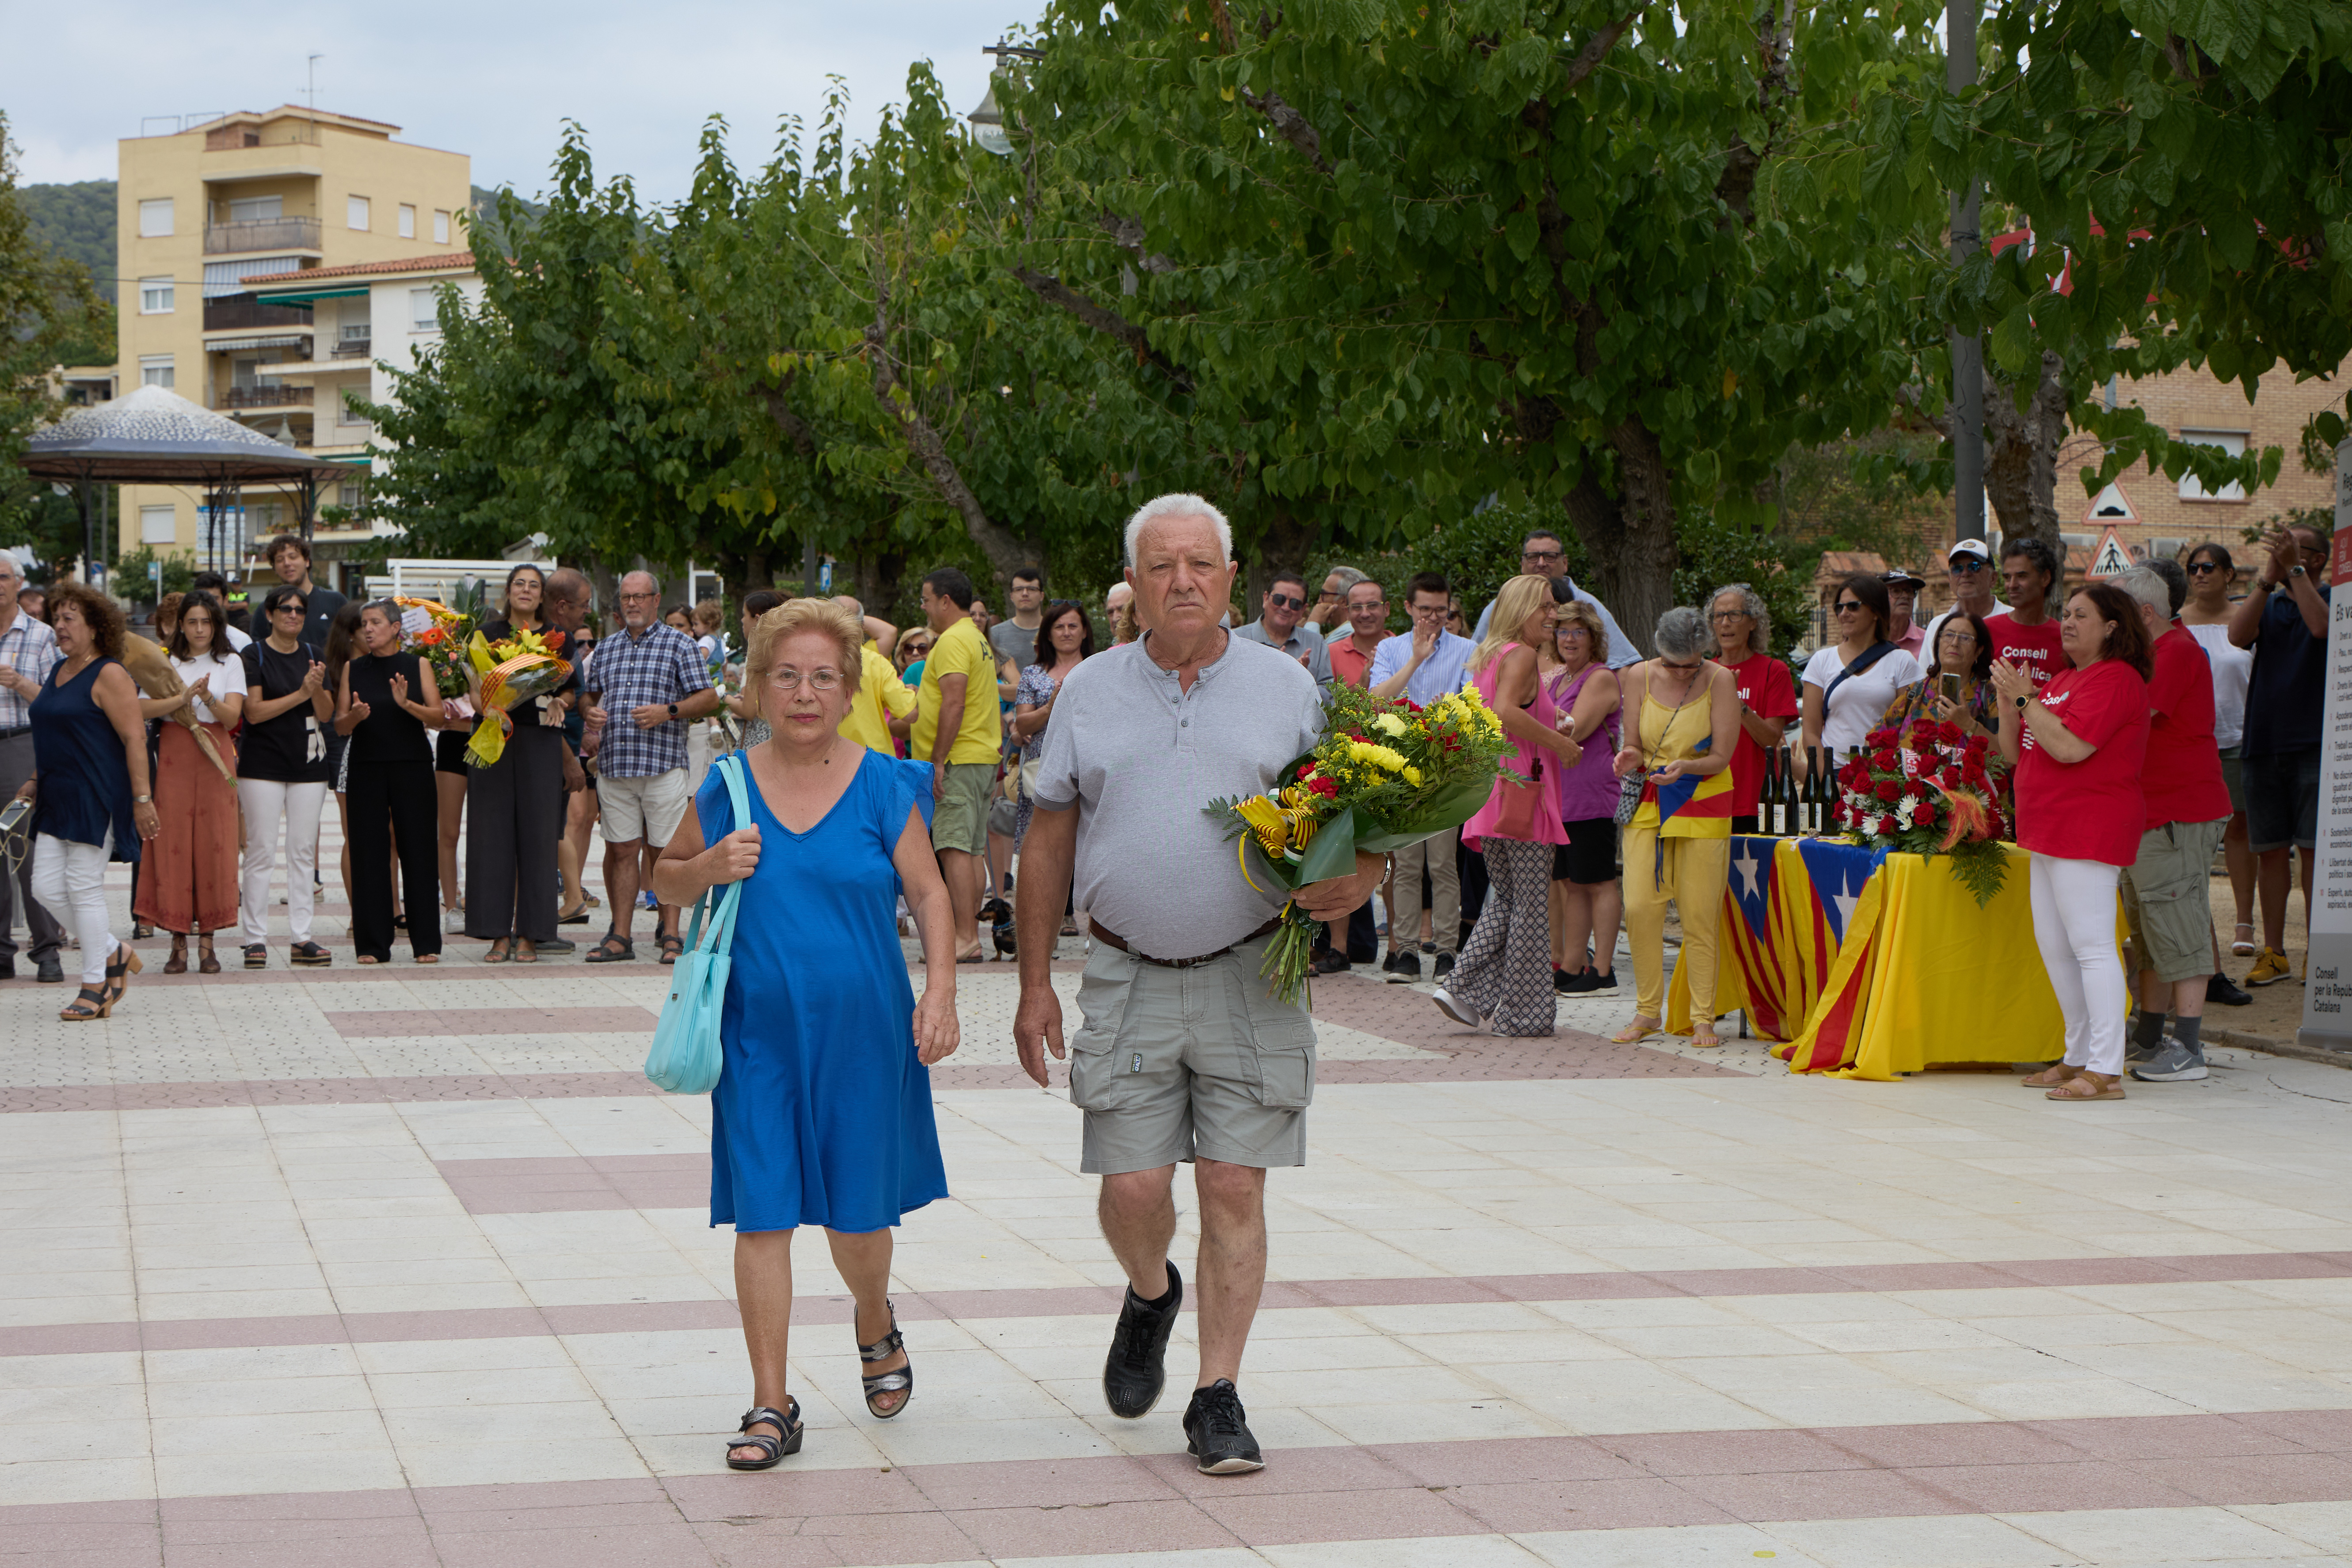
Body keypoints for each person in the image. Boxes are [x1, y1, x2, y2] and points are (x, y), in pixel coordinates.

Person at [1013, 492, 1384, 1476]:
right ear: (1129, 584)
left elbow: (1351, 822)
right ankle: (1148, 1292)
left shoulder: (1288, 688)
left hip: (1255, 971)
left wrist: (1366, 876)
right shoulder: (1088, 691)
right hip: (1126, 972)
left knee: (1230, 1183)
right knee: (1132, 1186)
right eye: (1160, 564)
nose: (1182, 581)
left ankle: (1215, 1394)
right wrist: (1033, 981)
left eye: (1201, 564)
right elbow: (1047, 836)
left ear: (1229, 578)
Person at [649, 598, 956, 1468]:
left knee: (859, 1221)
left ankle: (872, 1314)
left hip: (866, 1035)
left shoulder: (881, 784)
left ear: (850, 684)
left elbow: (930, 896)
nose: (804, 691)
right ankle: (769, 1402)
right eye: (785, 675)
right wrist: (708, 867)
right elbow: (666, 881)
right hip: (756, 1038)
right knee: (763, 1213)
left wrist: (940, 993)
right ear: (756, 688)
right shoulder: (728, 786)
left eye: (823, 675)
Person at [1993, 582, 2153, 1100]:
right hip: (2046, 828)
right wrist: (2008, 701)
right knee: (2056, 949)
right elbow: (2016, 753)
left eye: (2080, 615)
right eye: (2065, 613)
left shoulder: (2116, 679)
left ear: (2111, 627)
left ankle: (2105, 1068)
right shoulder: (2063, 678)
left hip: (2088, 825)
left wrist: (2024, 695)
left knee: (2090, 947)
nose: (2066, 622)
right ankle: (2078, 1054)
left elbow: (2068, 747)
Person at [1433, 576, 1580, 1035]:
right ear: (1520, 609)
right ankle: (1522, 1014)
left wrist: (1551, 716)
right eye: (1545, 607)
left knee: (1512, 901)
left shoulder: (1490, 655)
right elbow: (1503, 710)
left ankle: (1462, 989)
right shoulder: (1519, 654)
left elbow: (1503, 708)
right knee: (1532, 908)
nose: (1552, 615)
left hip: (1495, 790)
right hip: (1524, 792)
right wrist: (1559, 742)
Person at [2108, 565, 2232, 1083]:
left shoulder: (2176, 652)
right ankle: (2150, 1034)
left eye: (2113, 615)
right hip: (2150, 813)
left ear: (2143, 614)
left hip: (2178, 812)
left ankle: (2187, 1046)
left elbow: (2132, 717)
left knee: (2177, 923)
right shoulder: (2154, 653)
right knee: (2151, 929)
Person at [18, 584, 159, 1019]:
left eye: (68, 619)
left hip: (96, 794)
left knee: (82, 886)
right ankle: (114, 950)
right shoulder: (60, 669)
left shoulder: (110, 674)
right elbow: (57, 735)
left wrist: (142, 799)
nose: (59, 626)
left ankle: (95, 983)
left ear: (96, 628)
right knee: (43, 887)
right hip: (57, 794)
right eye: (56, 618)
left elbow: (135, 737)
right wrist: (34, 778)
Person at [1612, 607, 1740, 1048]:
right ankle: (1647, 1011)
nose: (1683, 672)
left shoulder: (1720, 679)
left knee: (1699, 914)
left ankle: (1702, 1017)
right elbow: (1631, 743)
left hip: (1702, 800)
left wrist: (1687, 766)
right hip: (1649, 801)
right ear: (1657, 651)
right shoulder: (1636, 676)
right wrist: (1628, 756)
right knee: (1639, 908)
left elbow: (1721, 756)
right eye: (1673, 664)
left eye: (1692, 664)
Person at [582, 572, 720, 965]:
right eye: (626, 597)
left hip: (662, 765)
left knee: (664, 851)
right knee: (621, 849)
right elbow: (589, 697)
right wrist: (588, 712)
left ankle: (672, 934)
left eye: (640, 597)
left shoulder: (680, 644)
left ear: (657, 600)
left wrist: (668, 711)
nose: (632, 604)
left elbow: (709, 698)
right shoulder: (606, 648)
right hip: (616, 763)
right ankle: (620, 935)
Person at [2228, 524, 2329, 989]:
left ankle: (2319, 952)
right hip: (2262, 742)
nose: (2283, 553)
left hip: (2314, 743)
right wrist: (2266, 578)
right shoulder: (2267, 600)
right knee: (2269, 852)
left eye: (2295, 548)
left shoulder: (2332, 597)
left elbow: (2320, 626)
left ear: (2316, 559)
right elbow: (2235, 635)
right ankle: (2273, 952)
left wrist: (2293, 570)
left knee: (2312, 853)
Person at [1371, 572, 1477, 981]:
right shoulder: (1390, 648)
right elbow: (1378, 700)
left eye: (1441, 610)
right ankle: (1407, 951)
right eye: (1425, 610)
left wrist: (1446, 713)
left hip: (1445, 770)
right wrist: (1415, 658)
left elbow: (1471, 703)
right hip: (1400, 768)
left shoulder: (1468, 649)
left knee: (1444, 865)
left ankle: (1447, 951)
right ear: (1408, 609)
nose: (1435, 618)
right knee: (1406, 865)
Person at [464, 565, 572, 963]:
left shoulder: (557, 638)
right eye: (519, 584)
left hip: (540, 740)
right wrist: (491, 708)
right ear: (507, 591)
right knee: (489, 835)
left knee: (538, 837)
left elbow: (571, 691)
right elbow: (473, 688)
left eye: (534, 585)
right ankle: (496, 933)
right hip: (493, 737)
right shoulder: (486, 636)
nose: (525, 590)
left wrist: (562, 700)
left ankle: (530, 933)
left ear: (542, 595)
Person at [133, 591, 243, 974]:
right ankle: (177, 942)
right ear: (180, 624)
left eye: (207, 622)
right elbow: (142, 707)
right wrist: (179, 700)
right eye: (192, 621)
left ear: (217, 625)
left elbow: (231, 719)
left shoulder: (231, 661)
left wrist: (208, 697)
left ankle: (208, 943)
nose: (199, 629)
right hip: (176, 754)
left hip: (216, 755)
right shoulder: (167, 662)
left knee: (215, 843)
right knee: (173, 843)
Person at [336, 600, 446, 965]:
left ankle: (426, 941)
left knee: (418, 849)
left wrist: (407, 704)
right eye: (364, 623)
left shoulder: (417, 665)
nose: (367, 629)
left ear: (396, 628)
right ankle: (372, 944)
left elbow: (440, 718)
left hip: (411, 765)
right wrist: (353, 716)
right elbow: (338, 726)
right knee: (369, 853)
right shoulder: (353, 668)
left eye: (376, 622)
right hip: (366, 766)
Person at [237, 582, 335, 969]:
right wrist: (301, 692)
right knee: (261, 849)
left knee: (301, 852)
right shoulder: (253, 653)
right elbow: (254, 712)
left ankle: (302, 936)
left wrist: (315, 689)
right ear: (270, 614)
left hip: (308, 764)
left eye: (299, 609)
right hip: (262, 764)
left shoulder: (314, 654)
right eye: (285, 609)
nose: (293, 615)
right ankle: (255, 939)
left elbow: (326, 713)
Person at [908, 568, 1003, 964]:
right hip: (980, 755)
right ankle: (969, 934)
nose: (925, 608)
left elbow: (954, 701)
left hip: (960, 758)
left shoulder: (951, 641)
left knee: (953, 848)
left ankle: (964, 938)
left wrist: (938, 759)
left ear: (945, 601)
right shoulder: (976, 638)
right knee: (970, 847)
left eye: (927, 600)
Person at [2180, 542, 2257, 965]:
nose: (2199, 574)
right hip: (2192, 743)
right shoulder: (2177, 625)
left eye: (2209, 567)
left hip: (2239, 738)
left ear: (2229, 574)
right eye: (2193, 568)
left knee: (2240, 830)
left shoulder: (2247, 623)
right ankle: (2198, 927)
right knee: (2196, 838)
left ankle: (2244, 922)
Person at [1548, 599, 1622, 995]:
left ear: (1593, 637)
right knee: (1572, 883)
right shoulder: (1558, 679)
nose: (1570, 638)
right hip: (1562, 798)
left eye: (1579, 631)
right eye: (1563, 631)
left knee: (1599, 882)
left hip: (1592, 795)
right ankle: (1573, 964)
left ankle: (1604, 968)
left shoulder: (1600, 677)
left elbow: (1573, 731)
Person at [0, 553, 65, 983]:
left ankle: (46, 950)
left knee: (25, 851)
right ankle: (1, 951)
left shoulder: (41, 636)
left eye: (2, 577)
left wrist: (20, 683)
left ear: (19, 583)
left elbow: (57, 702)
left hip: (21, 745)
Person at [1800, 572, 1924, 764]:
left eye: (1853, 606)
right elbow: (1810, 733)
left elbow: (1910, 729)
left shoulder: (1902, 661)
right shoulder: (1821, 660)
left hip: (1882, 777)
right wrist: (1828, 781)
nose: (1844, 614)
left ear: (1875, 612)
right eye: (1839, 608)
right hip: (1832, 775)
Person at [1470, 529, 1641, 666]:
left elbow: (1623, 663)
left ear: (1565, 563)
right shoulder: (1499, 607)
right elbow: (1476, 658)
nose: (1541, 563)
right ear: (1522, 565)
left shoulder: (1589, 606)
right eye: (1533, 557)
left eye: (1550, 557)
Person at [1706, 583, 1797, 834]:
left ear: (1753, 622)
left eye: (1735, 615)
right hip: (1709, 800)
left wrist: (1737, 704)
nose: (1725, 623)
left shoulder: (1774, 671)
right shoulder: (1702, 673)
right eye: (1718, 616)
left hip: (1758, 801)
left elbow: (1771, 739)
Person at [1010, 599, 1093, 862]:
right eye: (1059, 626)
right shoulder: (1033, 674)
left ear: (1085, 631)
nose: (1067, 632)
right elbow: (1022, 724)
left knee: (1084, 845)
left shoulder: (1098, 670)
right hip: (1042, 770)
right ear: (1048, 633)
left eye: (1073, 626)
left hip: (1089, 767)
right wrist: (1050, 707)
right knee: (1044, 852)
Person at [545, 568, 601, 926]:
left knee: (554, 826)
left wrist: (586, 713)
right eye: (583, 606)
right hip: (553, 747)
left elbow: (573, 696)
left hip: (560, 747)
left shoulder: (564, 641)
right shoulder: (549, 642)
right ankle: (571, 897)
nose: (587, 613)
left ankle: (573, 897)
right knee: (553, 827)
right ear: (562, 605)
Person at [1878, 609, 2000, 739]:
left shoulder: (1990, 695)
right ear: (1938, 643)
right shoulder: (1917, 691)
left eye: (1965, 638)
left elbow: (2007, 754)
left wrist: (1969, 725)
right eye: (1949, 635)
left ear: (1978, 651)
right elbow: (1876, 739)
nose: (1955, 643)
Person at [320, 602, 367, 912]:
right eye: (366, 625)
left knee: (389, 833)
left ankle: (390, 908)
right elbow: (332, 721)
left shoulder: (389, 663)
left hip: (387, 750)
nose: (373, 630)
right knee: (356, 833)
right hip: (344, 748)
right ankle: (358, 914)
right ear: (350, 634)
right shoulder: (336, 671)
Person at [831, 594, 916, 756]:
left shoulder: (811, 659)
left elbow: (890, 632)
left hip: (830, 758)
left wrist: (831, 614)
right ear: (861, 625)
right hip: (875, 759)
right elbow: (911, 713)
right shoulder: (875, 660)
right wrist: (855, 618)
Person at [1986, 537, 2066, 691]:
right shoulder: (1987, 631)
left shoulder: (2064, 638)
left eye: (2022, 576)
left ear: (2045, 578)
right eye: (2008, 578)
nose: (2012, 585)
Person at [1233, 570, 1334, 685]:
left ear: (1303, 610)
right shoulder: (1236, 639)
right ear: (1266, 599)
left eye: (1295, 604)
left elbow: (1329, 693)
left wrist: (1302, 680)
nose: (1286, 608)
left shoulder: (1317, 644)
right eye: (1279, 599)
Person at [1920, 538, 2010, 652]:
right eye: (1957, 569)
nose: (1965, 574)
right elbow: (1926, 670)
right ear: (1950, 580)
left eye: (1974, 567)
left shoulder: (2013, 620)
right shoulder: (1937, 626)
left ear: (1993, 578)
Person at [263, 534, 348, 652]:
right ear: (275, 568)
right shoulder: (267, 609)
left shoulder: (336, 601)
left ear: (307, 561)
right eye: (280, 560)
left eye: (293, 557)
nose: (287, 563)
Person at [1326, 576, 1387, 691]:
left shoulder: (1406, 650)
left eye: (1373, 605)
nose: (1365, 614)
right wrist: (1361, 685)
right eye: (1357, 607)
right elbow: (1326, 706)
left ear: (1386, 609)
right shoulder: (1329, 654)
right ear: (1347, 613)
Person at [991, 566, 1047, 671]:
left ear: (1042, 596)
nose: (1025, 594)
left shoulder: (1055, 631)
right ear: (1011, 596)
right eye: (1019, 589)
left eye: (1032, 589)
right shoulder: (995, 635)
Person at [190, 572, 252, 649]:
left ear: (225, 599)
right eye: (203, 599)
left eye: (215, 599)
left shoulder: (241, 640)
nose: (208, 604)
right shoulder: (185, 640)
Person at [1307, 565, 1369, 637]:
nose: (1320, 601)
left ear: (1344, 601)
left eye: (1324, 594)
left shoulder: (1349, 633)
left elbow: (1309, 647)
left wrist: (1313, 622)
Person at [1883, 568, 1928, 660]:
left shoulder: (1927, 641)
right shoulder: (1868, 640)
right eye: (1896, 591)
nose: (1905, 596)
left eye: (1909, 591)